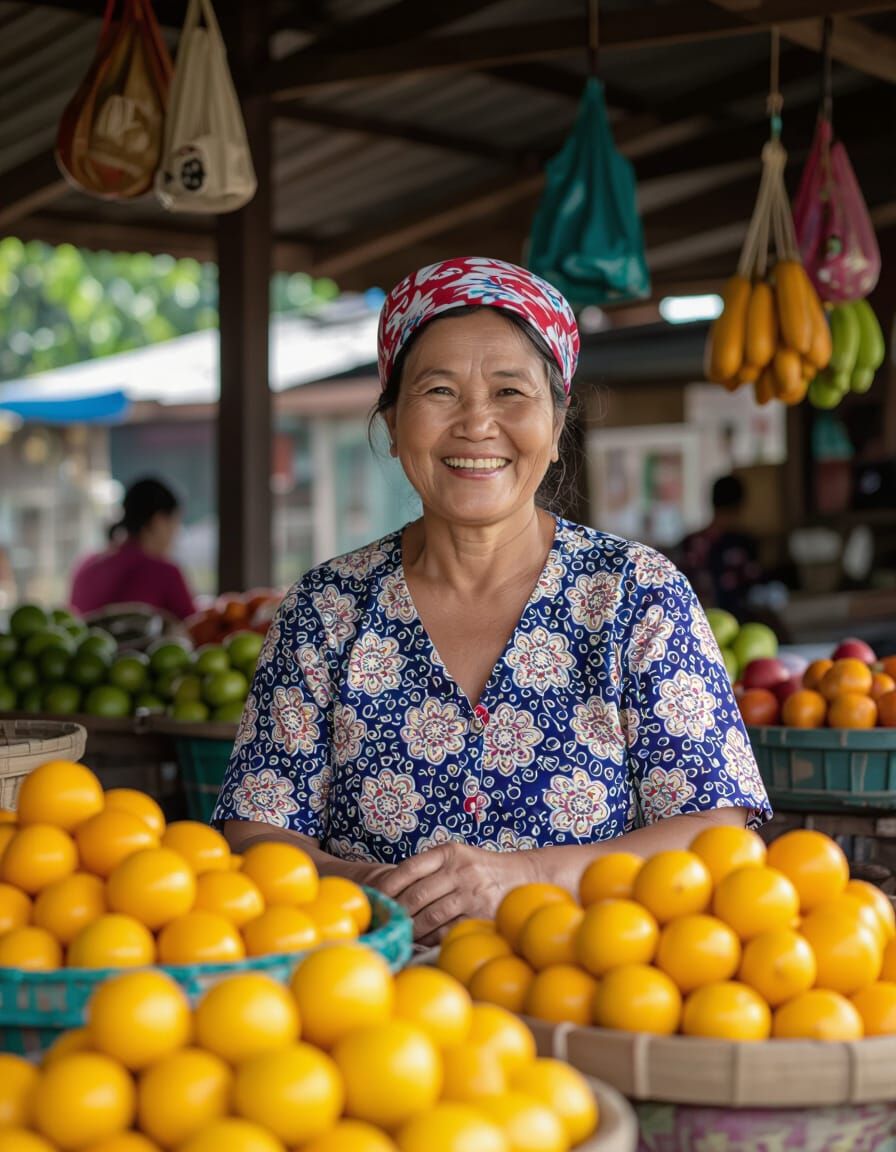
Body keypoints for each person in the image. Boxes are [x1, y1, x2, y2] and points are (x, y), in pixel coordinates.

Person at [214, 257, 770, 944]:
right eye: (440, 391)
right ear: (392, 423)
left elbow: (716, 828)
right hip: (364, 1010)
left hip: (587, 999)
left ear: (558, 422)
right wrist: (378, 893)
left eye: (511, 392)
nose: (477, 424)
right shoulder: (326, 610)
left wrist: (527, 876)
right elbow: (254, 831)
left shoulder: (635, 596)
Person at [70, 477, 195, 620]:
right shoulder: (164, 573)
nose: (175, 534)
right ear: (158, 521)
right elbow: (196, 630)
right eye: (175, 524)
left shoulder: (86, 565)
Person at [676, 474, 763, 617]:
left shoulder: (689, 542)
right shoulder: (743, 543)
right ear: (741, 505)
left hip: (693, 622)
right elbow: (755, 589)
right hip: (737, 620)